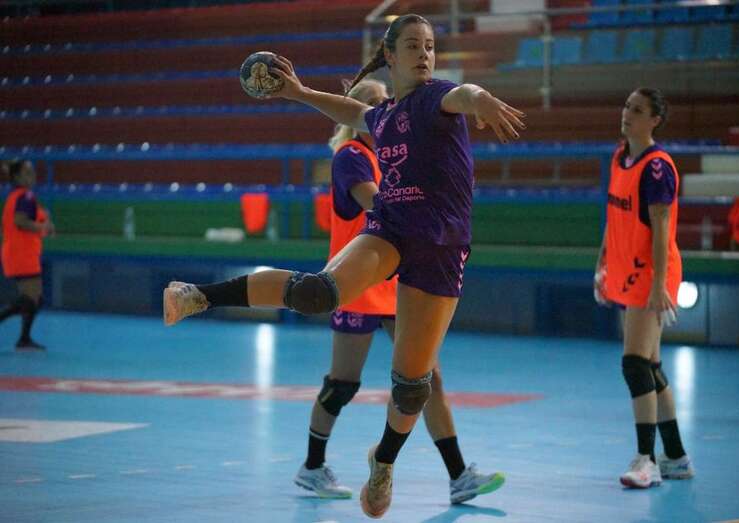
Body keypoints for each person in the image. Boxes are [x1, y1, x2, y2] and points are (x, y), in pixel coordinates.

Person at [163, 13, 525, 518]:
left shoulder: (435, 97)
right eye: (414, 46)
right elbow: (352, 111)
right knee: (318, 292)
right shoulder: (384, 118)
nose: (425, 54)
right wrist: (297, 92)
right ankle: (199, 294)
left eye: (430, 46)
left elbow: (461, 94)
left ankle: (383, 463)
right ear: (391, 55)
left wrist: (480, 97)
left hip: (441, 249)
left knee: (413, 385)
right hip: (393, 229)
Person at [292, 78, 504, 504]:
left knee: (425, 380)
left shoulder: (390, 157)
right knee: (342, 384)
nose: (380, 109)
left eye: (382, 101)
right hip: (358, 284)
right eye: (369, 103)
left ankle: (459, 475)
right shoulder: (352, 156)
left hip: (397, 281)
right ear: (353, 113)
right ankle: (312, 466)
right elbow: (380, 205)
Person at [594, 88, 694, 489]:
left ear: (655, 120)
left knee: (634, 363)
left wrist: (658, 285)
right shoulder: (621, 157)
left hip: (652, 274)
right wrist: (601, 261)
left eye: (637, 110)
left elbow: (662, 231)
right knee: (650, 366)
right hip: (627, 270)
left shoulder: (656, 167)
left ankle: (646, 460)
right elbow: (613, 215)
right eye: (626, 106)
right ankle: (677, 456)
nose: (627, 113)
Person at [1, 159, 55, 351]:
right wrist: (43, 226)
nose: (31, 176)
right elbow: (20, 222)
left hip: (23, 252)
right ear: (16, 177)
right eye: (26, 173)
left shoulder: (22, 196)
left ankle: (24, 338)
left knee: (36, 299)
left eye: (32, 172)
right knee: (31, 298)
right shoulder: (25, 197)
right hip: (21, 254)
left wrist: (45, 226)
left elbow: (35, 220)